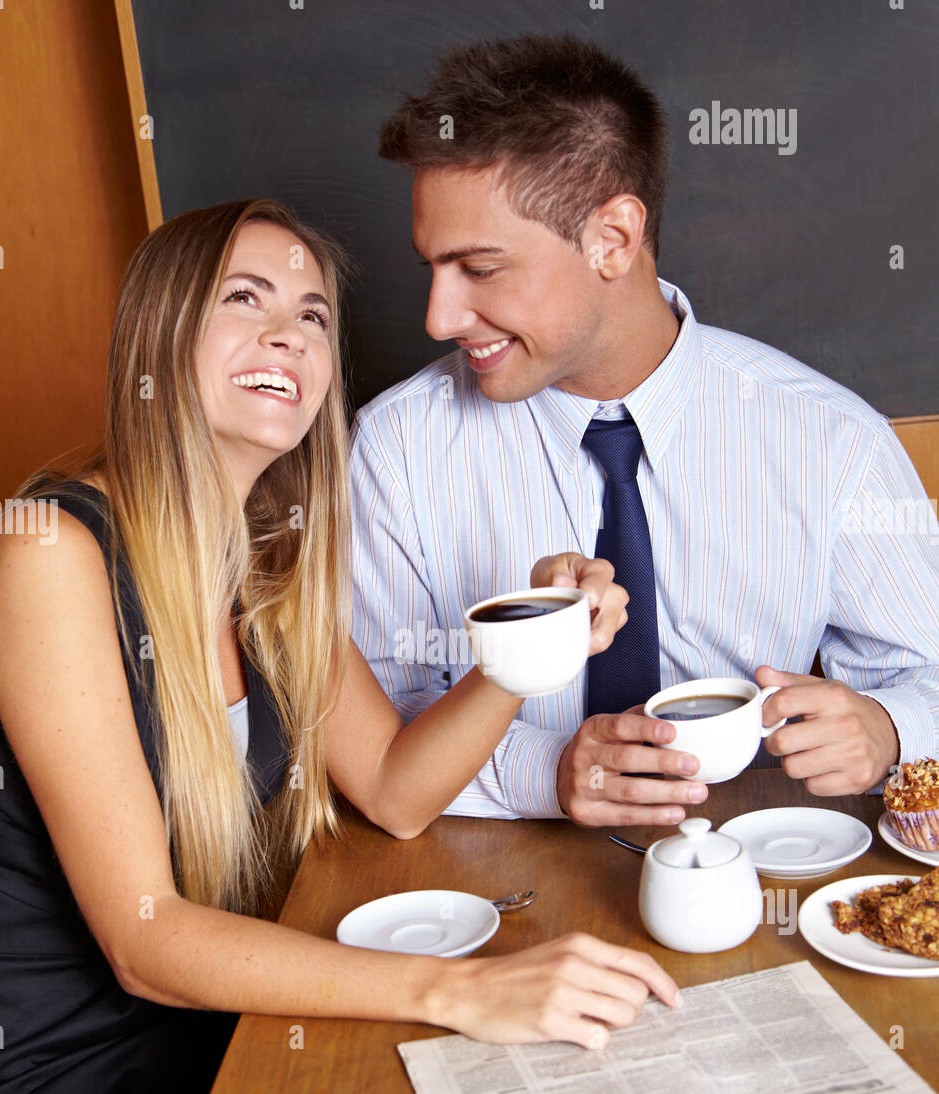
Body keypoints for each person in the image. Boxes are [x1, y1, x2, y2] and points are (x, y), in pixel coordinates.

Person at [0, 198, 680, 1094]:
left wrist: (525, 653)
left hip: (225, 1038)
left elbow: (394, 789)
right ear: (159, 337)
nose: (288, 337)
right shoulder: (50, 555)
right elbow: (145, 940)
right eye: (243, 301)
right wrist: (460, 990)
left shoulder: (266, 561)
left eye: (311, 315)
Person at [349, 34, 939, 829]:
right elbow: (377, 739)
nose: (439, 317)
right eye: (432, 269)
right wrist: (550, 771)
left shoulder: (831, 441)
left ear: (613, 240)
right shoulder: (395, 450)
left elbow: (927, 673)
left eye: (479, 269)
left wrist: (889, 727)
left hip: (759, 870)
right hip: (487, 897)